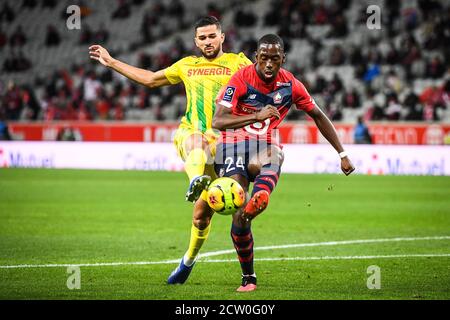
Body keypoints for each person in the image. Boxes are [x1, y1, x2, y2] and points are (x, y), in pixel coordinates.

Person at [89, 16, 252, 284]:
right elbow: (151, 79)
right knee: (196, 141)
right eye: (202, 38)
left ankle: (187, 260)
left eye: (212, 36)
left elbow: (264, 81)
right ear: (195, 41)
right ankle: (195, 182)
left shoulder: (239, 63)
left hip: (226, 146)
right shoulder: (187, 65)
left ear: (222, 37)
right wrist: (113, 62)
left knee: (201, 216)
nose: (208, 42)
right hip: (193, 133)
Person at [212, 34, 355, 291]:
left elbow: (318, 116)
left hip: (263, 146)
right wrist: (256, 114)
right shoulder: (240, 80)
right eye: (264, 58)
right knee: (239, 215)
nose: (268, 64)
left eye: (274, 59)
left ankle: (261, 196)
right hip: (230, 146)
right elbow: (218, 121)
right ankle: (249, 277)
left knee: (274, 153)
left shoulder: (291, 85)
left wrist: (342, 153)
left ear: (283, 59)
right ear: (256, 57)